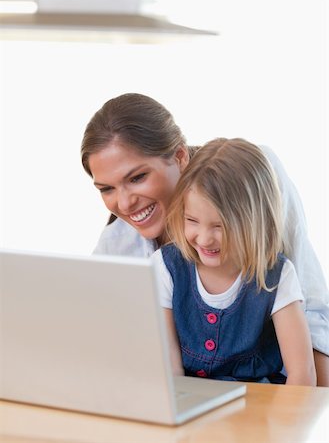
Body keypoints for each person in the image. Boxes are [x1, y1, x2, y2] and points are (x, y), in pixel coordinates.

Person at [81, 92, 329, 385]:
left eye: (137, 178)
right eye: (106, 189)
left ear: (180, 156)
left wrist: (314, 413)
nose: (123, 204)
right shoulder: (117, 245)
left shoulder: (252, 181)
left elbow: (312, 311)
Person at [151, 138, 316, 385]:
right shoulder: (166, 266)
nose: (204, 239)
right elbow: (169, 370)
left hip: (260, 406)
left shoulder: (277, 275)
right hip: (190, 404)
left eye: (220, 226)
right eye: (192, 221)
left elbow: (302, 375)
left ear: (255, 221)